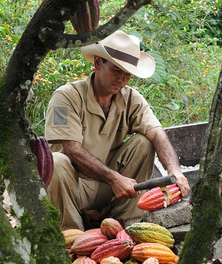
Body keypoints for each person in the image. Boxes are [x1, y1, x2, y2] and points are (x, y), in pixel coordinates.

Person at [44, 31, 190, 231]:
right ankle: (73, 236)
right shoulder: (65, 97)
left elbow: (157, 134)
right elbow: (71, 149)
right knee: (56, 160)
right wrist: (114, 178)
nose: (122, 78)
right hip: (71, 188)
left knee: (144, 142)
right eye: (116, 70)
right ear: (97, 63)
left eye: (128, 74)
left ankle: (125, 226)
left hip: (109, 188)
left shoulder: (131, 98)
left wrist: (175, 171)